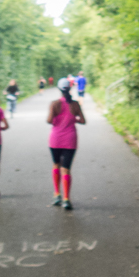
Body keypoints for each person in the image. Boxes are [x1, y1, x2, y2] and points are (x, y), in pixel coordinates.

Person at [47, 77, 85, 210]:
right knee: (66, 169)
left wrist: (58, 118)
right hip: (70, 140)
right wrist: (73, 119)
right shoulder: (75, 104)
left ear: (59, 89)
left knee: (56, 164)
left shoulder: (54, 104)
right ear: (70, 89)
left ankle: (57, 194)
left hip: (55, 139)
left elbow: (49, 120)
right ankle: (66, 199)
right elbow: (83, 120)